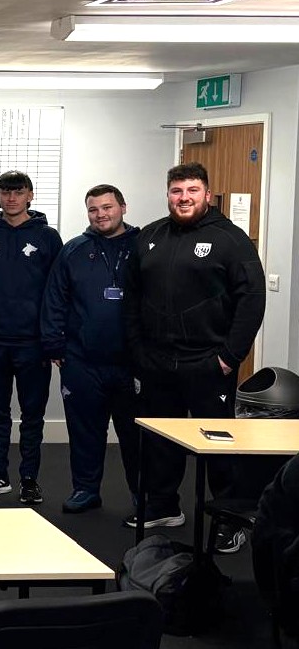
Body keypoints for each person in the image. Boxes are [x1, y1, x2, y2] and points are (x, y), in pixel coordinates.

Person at [125, 162, 265, 544]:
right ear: (167, 194)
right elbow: (132, 298)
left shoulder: (230, 239)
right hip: (157, 361)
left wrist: (229, 356)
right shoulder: (151, 236)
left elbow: (251, 299)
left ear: (206, 193)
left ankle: (230, 518)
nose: (183, 198)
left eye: (191, 190)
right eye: (176, 191)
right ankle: (164, 505)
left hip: (208, 362)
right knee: (159, 440)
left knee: (217, 442)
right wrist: (139, 351)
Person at [41, 184, 141, 514]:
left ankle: (144, 496)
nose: (101, 214)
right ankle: (85, 489)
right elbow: (54, 299)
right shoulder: (73, 251)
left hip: (133, 363)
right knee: (84, 430)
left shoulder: (144, 247)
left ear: (123, 207)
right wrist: (54, 343)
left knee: (136, 435)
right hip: (82, 360)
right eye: (94, 209)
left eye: (107, 207)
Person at [0, 170, 63, 504]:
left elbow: (57, 290)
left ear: (30, 195)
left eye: (18, 192)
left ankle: (29, 478)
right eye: (5, 192)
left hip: (33, 342)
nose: (11, 198)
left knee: (32, 414)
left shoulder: (48, 238)